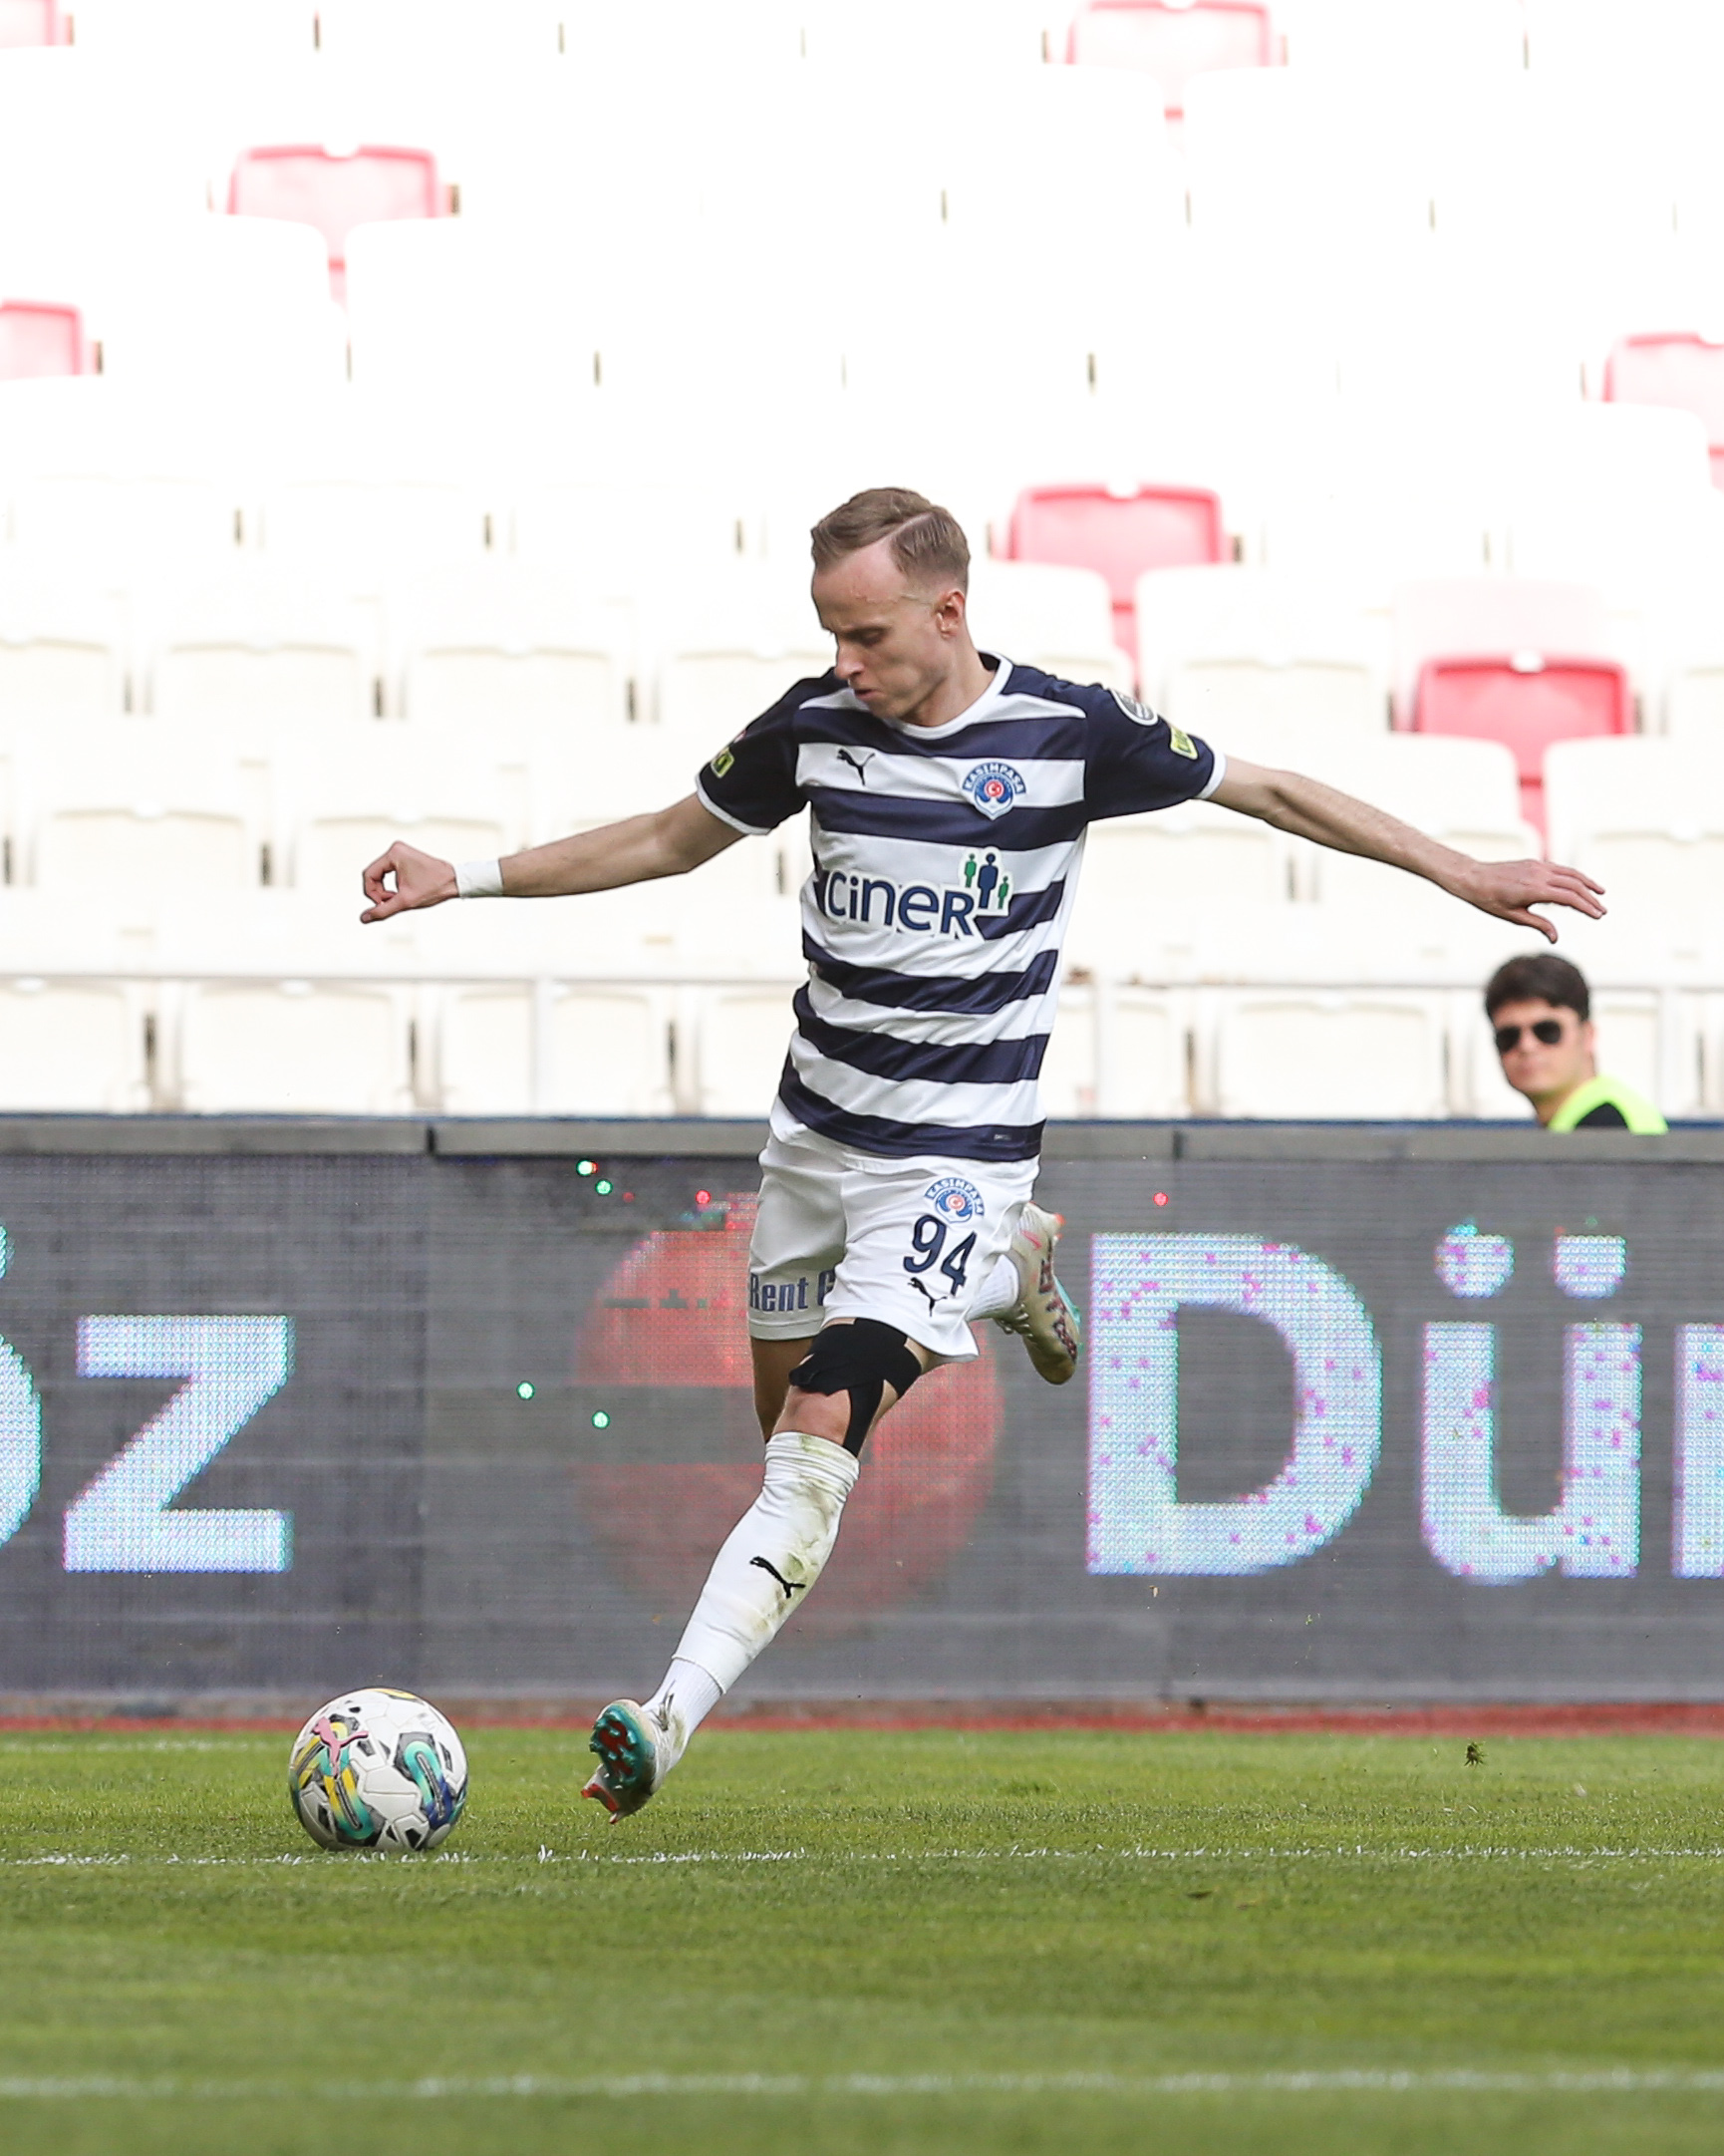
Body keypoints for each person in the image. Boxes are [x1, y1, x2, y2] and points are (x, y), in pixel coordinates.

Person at [360, 487, 1606, 1817]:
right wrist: (465, 875)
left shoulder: (1067, 731)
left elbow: (1272, 789)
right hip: (812, 1147)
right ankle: (1012, 1272)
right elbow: (670, 837)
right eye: (830, 633)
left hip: (955, 1155)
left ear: (947, 611)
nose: (846, 661)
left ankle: (664, 1719)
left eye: (867, 633)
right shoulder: (814, 728)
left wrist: (1460, 870)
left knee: (820, 1431)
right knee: (782, 1434)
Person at [1485, 952, 1665, 1131]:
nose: (1526, 1046)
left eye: (1547, 1031)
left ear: (1587, 1035)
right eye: (1509, 1037)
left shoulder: (1609, 1121)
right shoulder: (1587, 1122)